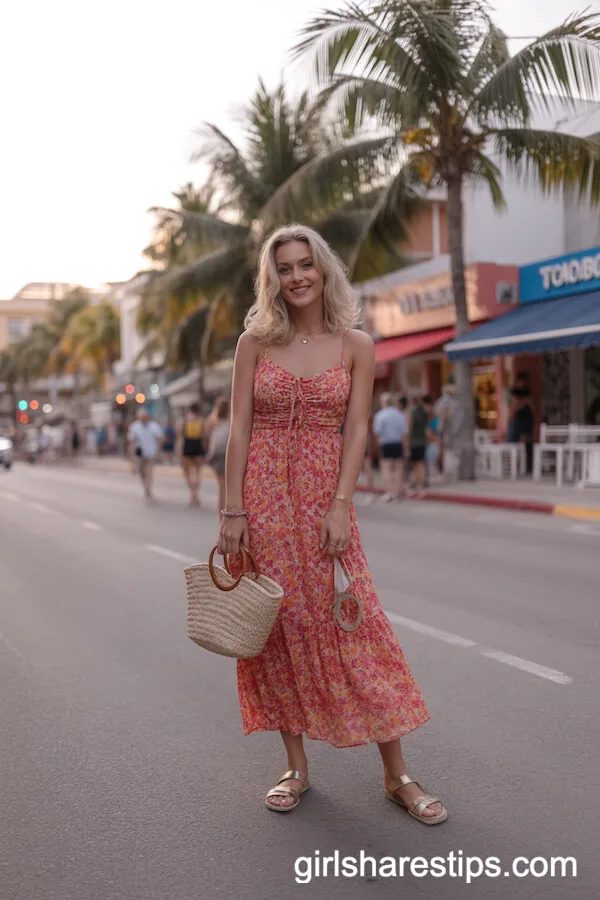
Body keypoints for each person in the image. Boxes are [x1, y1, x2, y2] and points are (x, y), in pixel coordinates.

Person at [218, 223, 446, 824]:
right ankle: (295, 767)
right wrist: (232, 511)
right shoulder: (254, 344)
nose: (296, 277)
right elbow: (240, 428)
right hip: (262, 503)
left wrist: (342, 502)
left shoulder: (357, 345)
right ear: (273, 279)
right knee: (279, 630)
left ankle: (397, 775)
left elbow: (357, 428)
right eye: (284, 268)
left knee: (355, 625)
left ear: (323, 270)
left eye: (304, 265)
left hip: (324, 502)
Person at [372, 393, 408, 501]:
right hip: (397, 442)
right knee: (398, 468)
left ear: (384, 403)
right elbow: (404, 432)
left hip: (386, 443)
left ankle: (388, 491)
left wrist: (378, 442)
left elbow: (377, 431)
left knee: (386, 468)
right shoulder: (400, 414)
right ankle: (397, 492)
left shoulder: (380, 415)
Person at [128, 408, 164, 500]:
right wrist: (131, 458)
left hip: (151, 453)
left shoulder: (154, 426)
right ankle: (146, 487)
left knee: (149, 472)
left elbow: (160, 438)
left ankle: (148, 488)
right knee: (141, 472)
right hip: (139, 454)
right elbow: (131, 442)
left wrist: (159, 451)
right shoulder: (134, 427)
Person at [206, 397, 230, 520]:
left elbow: (207, 437)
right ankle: (227, 513)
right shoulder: (232, 418)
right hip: (229, 453)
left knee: (221, 488)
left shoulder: (212, 420)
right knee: (228, 487)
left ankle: (221, 517)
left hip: (217, 455)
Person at [178, 403, 206, 506]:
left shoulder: (185, 420)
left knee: (188, 472)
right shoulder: (201, 420)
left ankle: (193, 493)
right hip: (198, 446)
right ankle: (195, 493)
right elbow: (204, 437)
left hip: (188, 446)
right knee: (197, 473)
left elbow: (181, 437)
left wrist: (180, 452)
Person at [408, 395, 430, 491]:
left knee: (416, 463)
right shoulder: (424, 413)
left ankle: (418, 482)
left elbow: (409, 426)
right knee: (421, 462)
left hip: (414, 441)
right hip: (422, 440)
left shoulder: (413, 413)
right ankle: (421, 480)